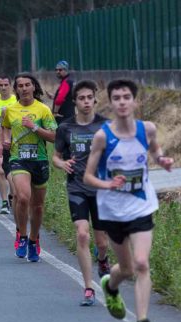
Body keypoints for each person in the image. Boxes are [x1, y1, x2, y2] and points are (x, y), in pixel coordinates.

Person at [83, 79, 174, 322]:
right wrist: (108, 184)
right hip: (112, 210)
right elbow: (88, 176)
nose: (122, 102)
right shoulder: (103, 136)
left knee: (142, 263)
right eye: (117, 98)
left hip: (141, 205)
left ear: (134, 101)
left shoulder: (147, 129)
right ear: (110, 103)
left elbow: (155, 151)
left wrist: (162, 160)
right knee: (127, 268)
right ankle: (111, 285)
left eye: (126, 97)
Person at [52, 80, 110, 306]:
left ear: (95, 99)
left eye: (89, 98)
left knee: (102, 242)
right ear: (74, 102)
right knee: (83, 234)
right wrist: (62, 163)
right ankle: (88, 288)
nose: (86, 102)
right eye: (81, 98)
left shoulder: (106, 126)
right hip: (77, 188)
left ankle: (103, 260)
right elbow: (56, 156)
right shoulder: (65, 128)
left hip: (101, 190)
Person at [2, 73, 57, 262]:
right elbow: (6, 127)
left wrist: (35, 127)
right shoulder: (10, 110)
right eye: (20, 86)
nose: (24, 88)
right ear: (16, 90)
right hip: (19, 159)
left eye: (28, 85)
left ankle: (34, 239)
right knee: (23, 197)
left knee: (38, 206)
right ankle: (23, 236)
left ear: (34, 87)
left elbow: (53, 136)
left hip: (39, 160)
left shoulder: (43, 110)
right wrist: (5, 141)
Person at [0, 75, 17, 214]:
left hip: (13, 139)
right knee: (0, 170)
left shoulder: (16, 100)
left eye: (6, 84)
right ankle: (4, 201)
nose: (4, 87)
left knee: (11, 169)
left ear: (10, 85)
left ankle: (13, 195)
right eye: (1, 85)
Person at [46, 60, 75, 126]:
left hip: (63, 117)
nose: (57, 72)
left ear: (66, 70)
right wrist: (54, 97)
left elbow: (59, 99)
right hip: (69, 115)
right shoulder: (70, 81)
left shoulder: (66, 82)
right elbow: (68, 97)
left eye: (60, 70)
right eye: (56, 70)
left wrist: (55, 113)